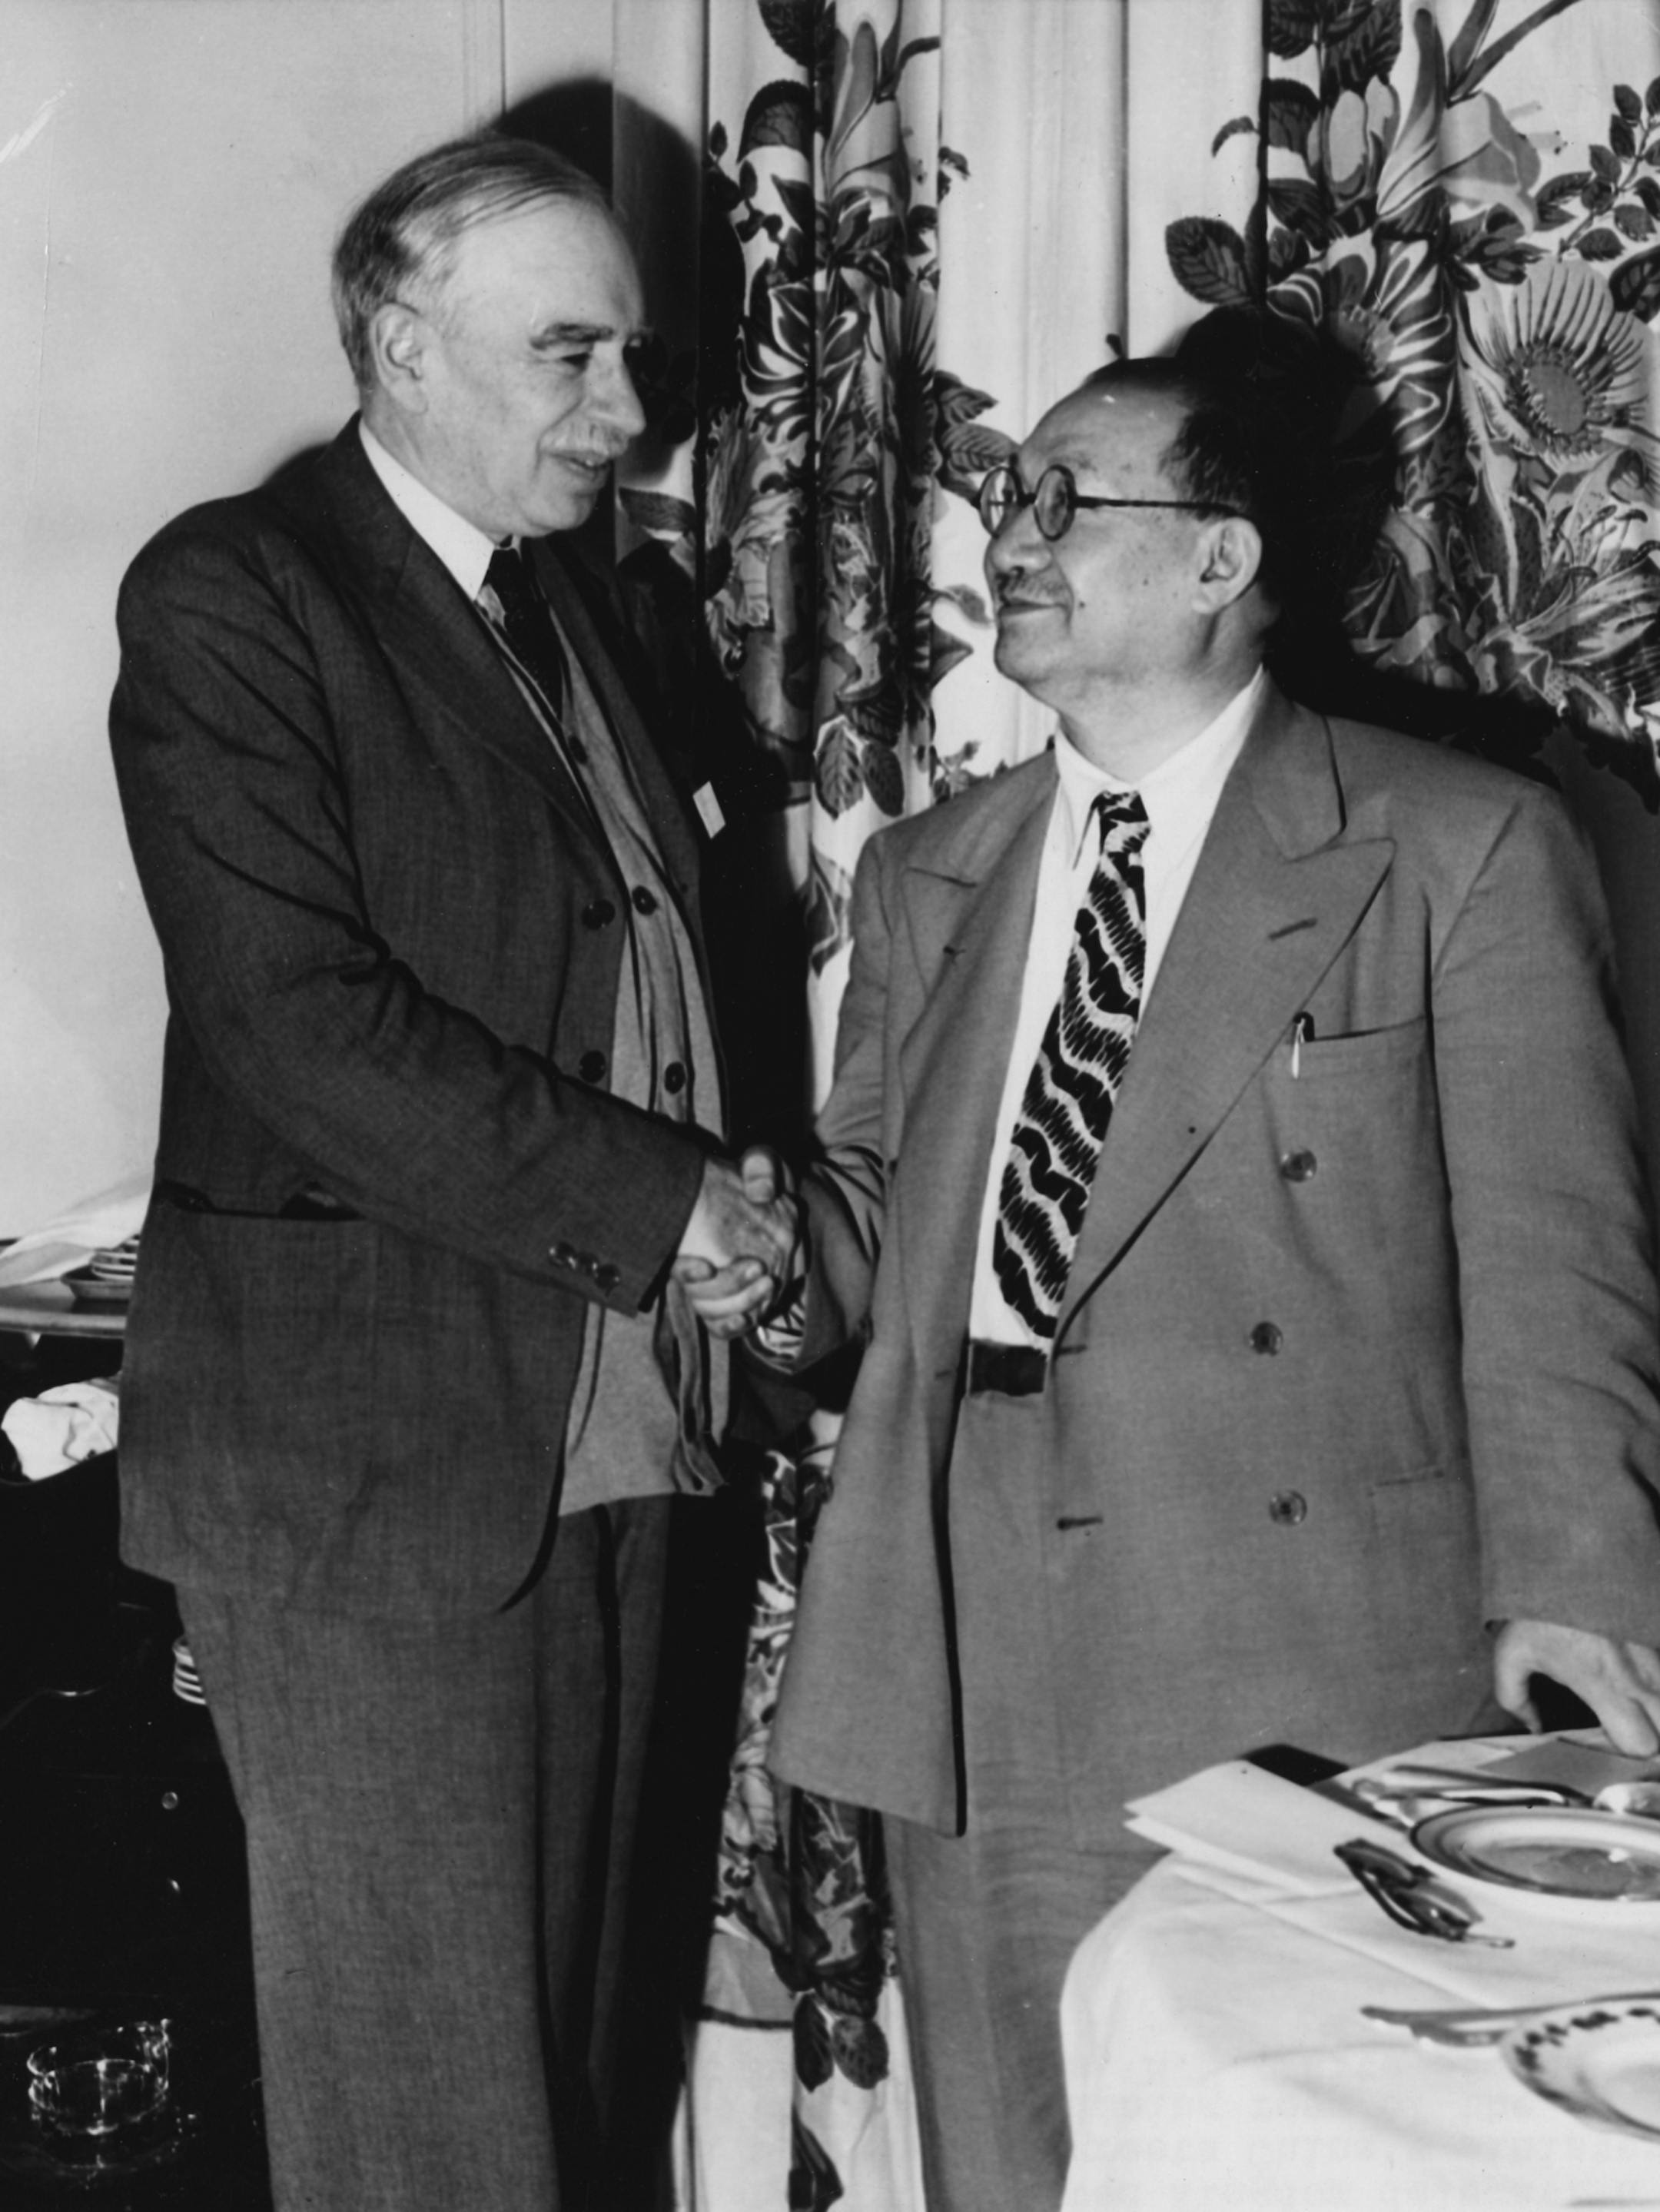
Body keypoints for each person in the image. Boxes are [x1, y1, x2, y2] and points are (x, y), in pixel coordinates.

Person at [693, 353, 1660, 2211]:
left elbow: (1562, 1265)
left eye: (1069, 501)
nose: (1010, 544)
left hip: (1301, 1648)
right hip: (976, 1642)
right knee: (1012, 2162)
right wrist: (766, 1256)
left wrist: (1578, 1585)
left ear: (1221, 557)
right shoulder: (928, 870)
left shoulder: (1455, 841)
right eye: (1007, 504)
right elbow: (876, 1220)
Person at [108, 136, 795, 2212]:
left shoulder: (584, 604)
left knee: (573, 2088)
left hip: (610, 1431)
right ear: (403, 348)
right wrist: (674, 1202)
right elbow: (298, 1023)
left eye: (632, 353)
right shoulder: (239, 590)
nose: (624, 408)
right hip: (371, 1458)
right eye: (565, 353)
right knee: (430, 2117)